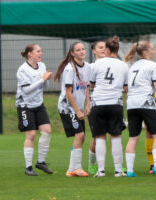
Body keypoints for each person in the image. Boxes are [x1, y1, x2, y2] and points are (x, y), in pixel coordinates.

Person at [124, 41, 156, 177]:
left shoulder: (132, 66)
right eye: (152, 49)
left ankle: (129, 170)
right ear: (145, 52)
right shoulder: (152, 65)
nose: (154, 51)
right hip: (146, 103)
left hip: (131, 104)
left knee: (133, 138)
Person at [90, 36, 128, 177]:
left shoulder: (96, 64)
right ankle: (118, 170)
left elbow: (92, 84)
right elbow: (125, 87)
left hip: (98, 103)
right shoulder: (123, 65)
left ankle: (101, 170)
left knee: (100, 137)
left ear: (106, 49)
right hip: (115, 103)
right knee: (116, 136)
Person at [54, 42, 91, 177]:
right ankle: (76, 168)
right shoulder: (70, 69)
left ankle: (71, 169)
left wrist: (88, 104)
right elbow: (68, 92)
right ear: (72, 53)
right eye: (78, 50)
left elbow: (86, 87)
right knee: (79, 135)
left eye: (83, 49)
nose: (82, 51)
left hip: (78, 107)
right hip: (67, 107)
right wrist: (77, 110)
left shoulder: (87, 67)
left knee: (81, 137)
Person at [16, 44, 53, 176]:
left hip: (38, 105)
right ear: (30, 54)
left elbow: (44, 86)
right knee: (31, 135)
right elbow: (26, 90)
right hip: (25, 105)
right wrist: (42, 79)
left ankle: (41, 162)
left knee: (47, 131)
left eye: (41, 51)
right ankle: (28, 167)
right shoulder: (23, 70)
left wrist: (46, 79)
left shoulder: (41, 65)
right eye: (38, 51)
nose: (40, 53)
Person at [87, 40, 106, 175]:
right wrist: (87, 104)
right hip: (96, 105)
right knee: (97, 138)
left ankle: (119, 164)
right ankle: (92, 164)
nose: (103, 49)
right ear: (94, 51)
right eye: (100, 48)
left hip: (111, 104)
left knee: (115, 136)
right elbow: (86, 88)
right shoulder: (91, 67)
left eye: (105, 47)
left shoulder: (113, 65)